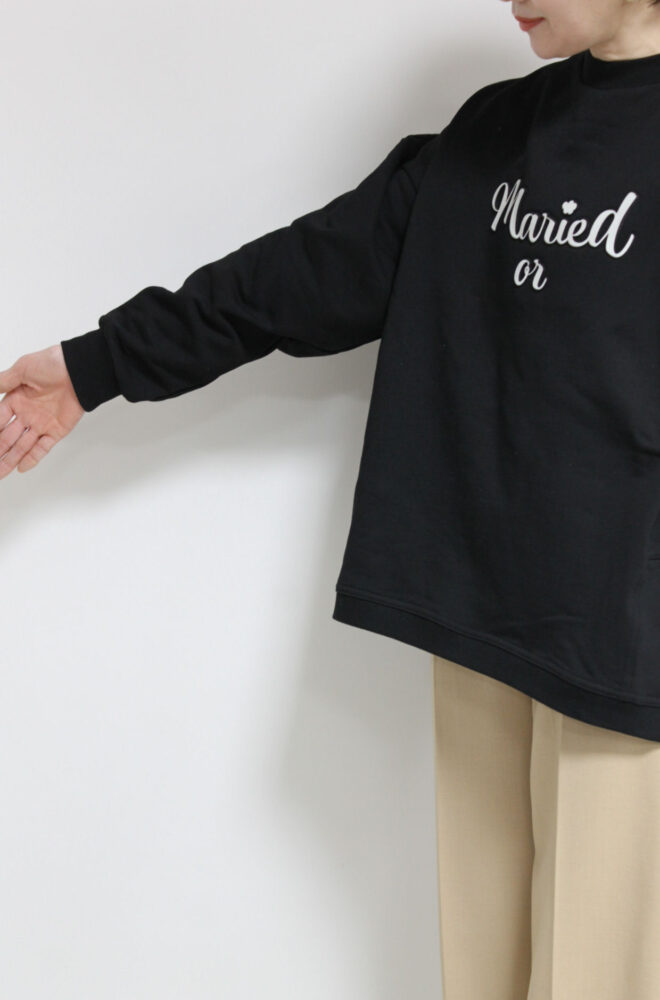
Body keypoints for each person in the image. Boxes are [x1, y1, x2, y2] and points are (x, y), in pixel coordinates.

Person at [2, 1, 660, 996]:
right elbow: (301, 276)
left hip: (627, 648)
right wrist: (94, 367)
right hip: (481, 619)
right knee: (485, 974)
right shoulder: (493, 133)